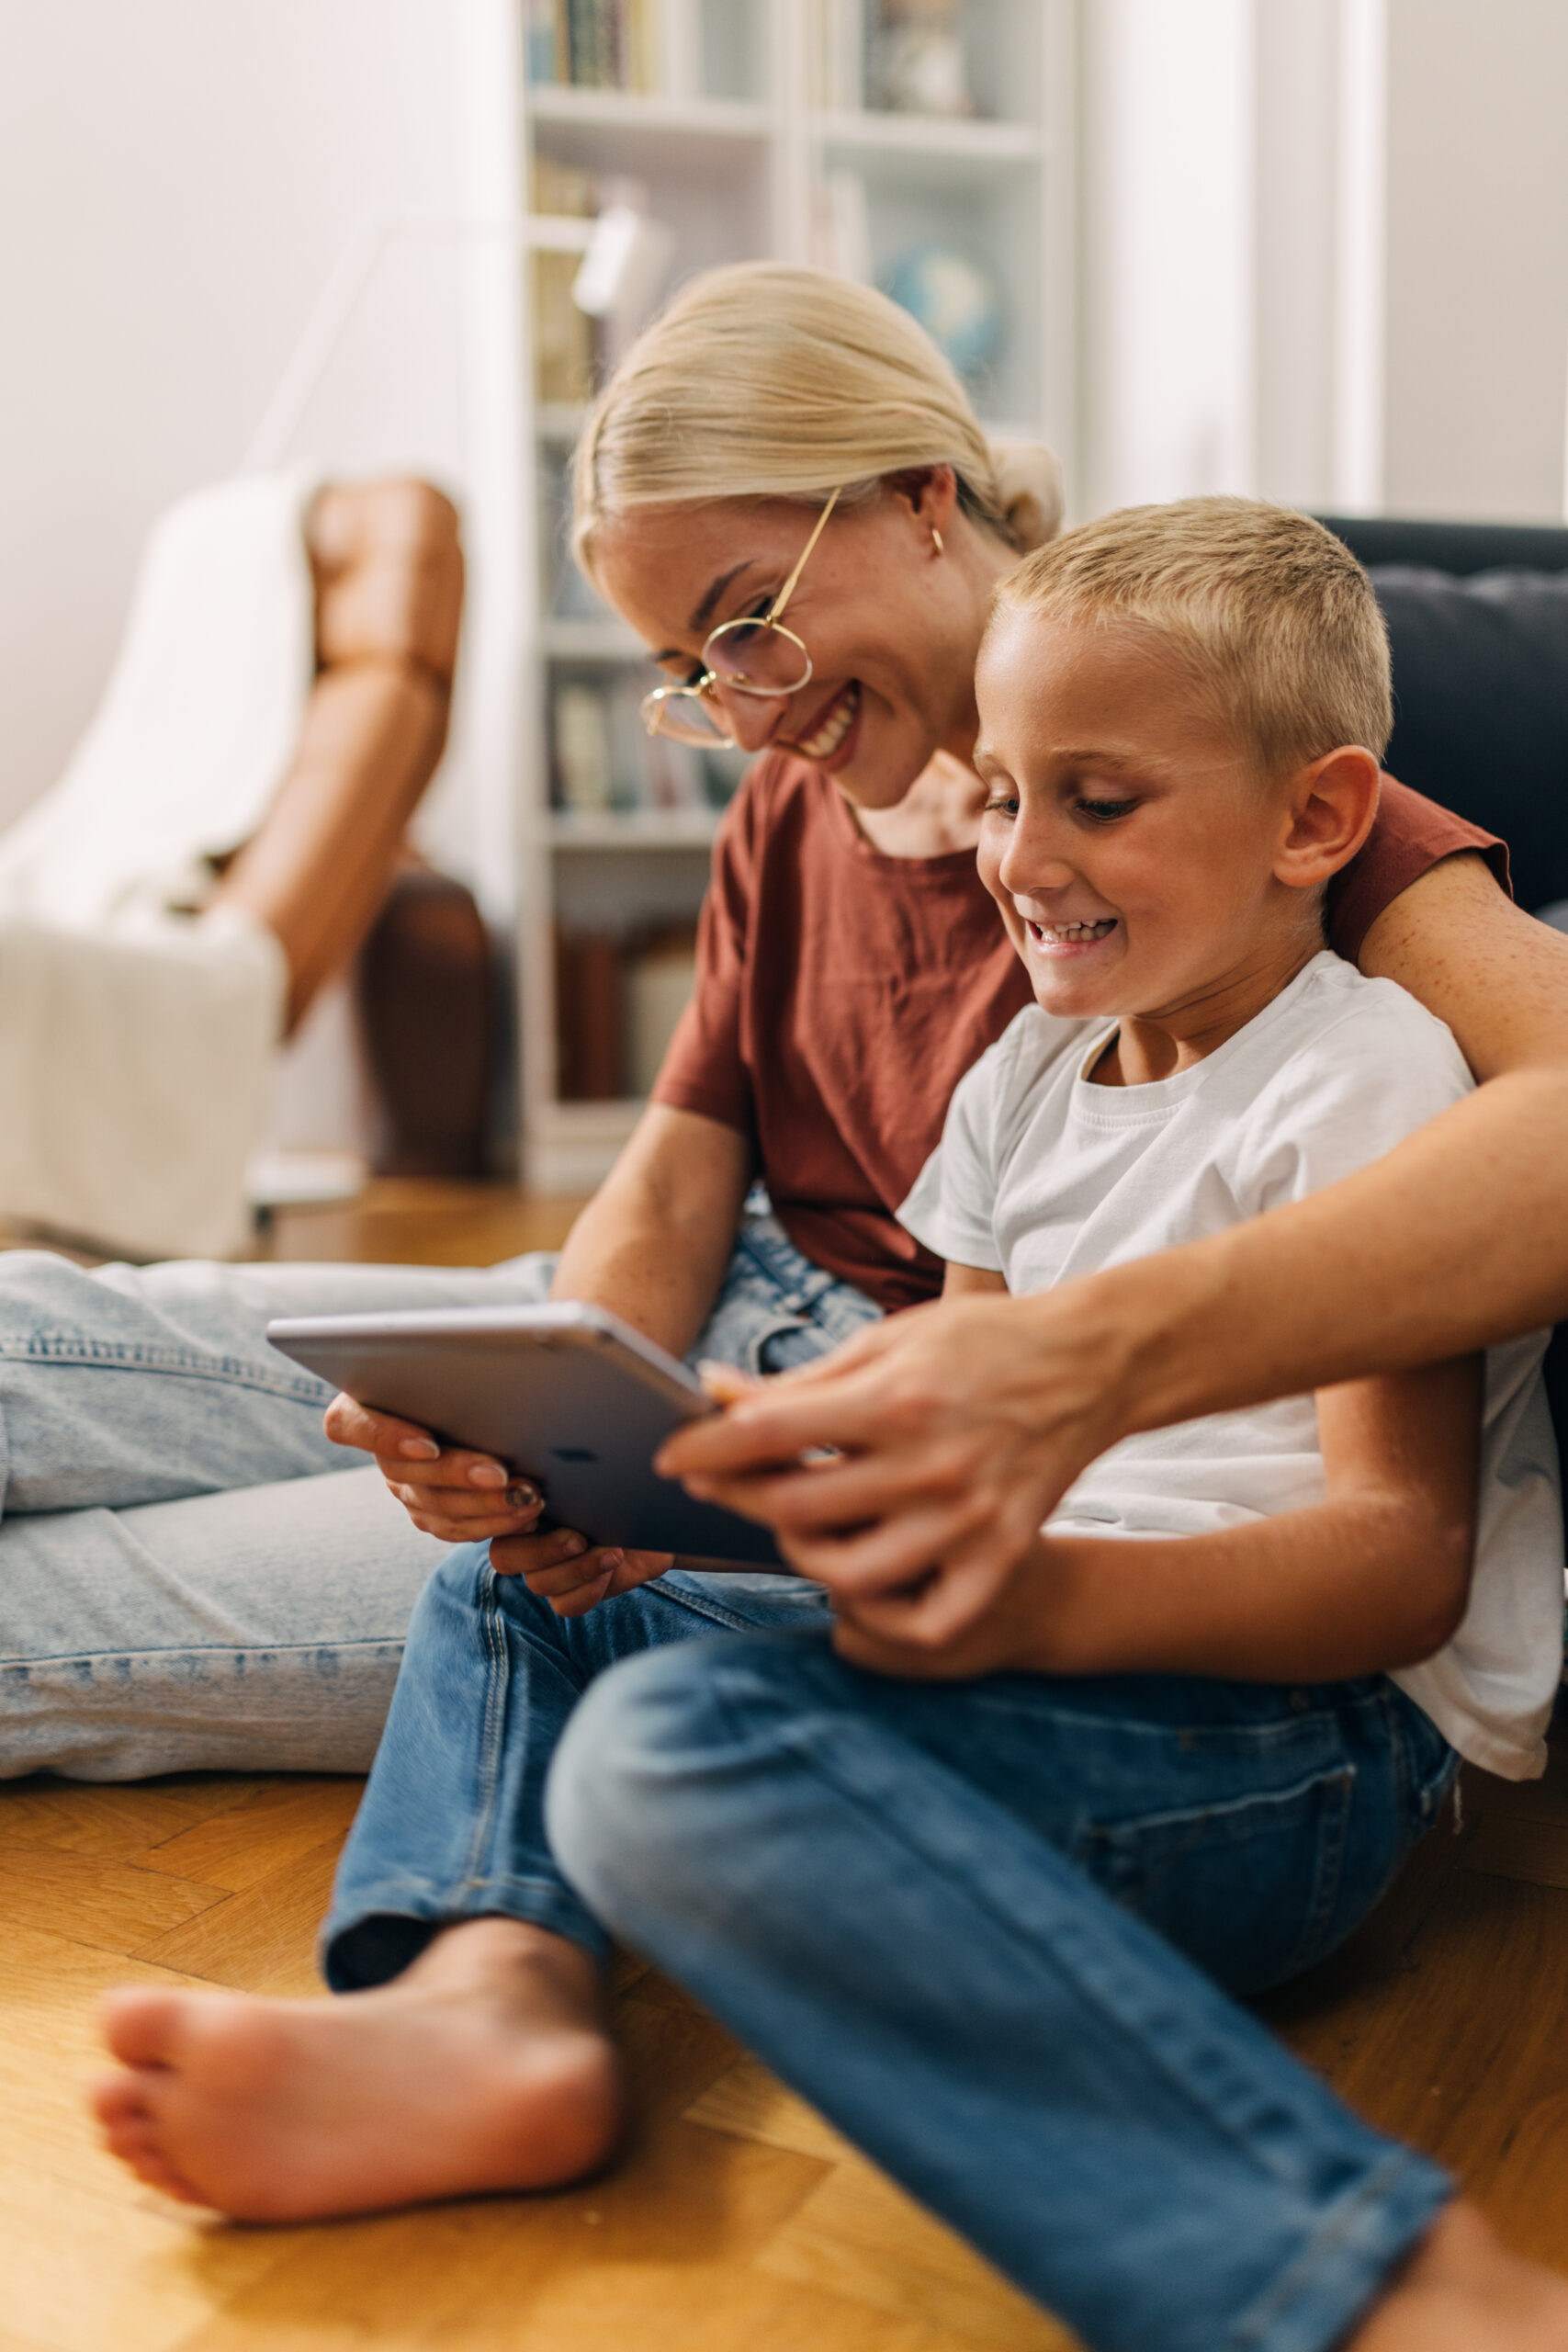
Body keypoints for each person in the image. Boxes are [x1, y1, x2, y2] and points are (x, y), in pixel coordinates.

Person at [90, 499, 1568, 2352]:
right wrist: (682, 1498)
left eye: (1095, 802)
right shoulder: (1022, 1077)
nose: (1021, 859)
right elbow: (953, 1456)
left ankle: (1369, 2280)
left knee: (671, 1753)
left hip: (1285, 1745)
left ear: (1316, 820)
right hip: (1025, 1653)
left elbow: (1395, 1567)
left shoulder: (1372, 1077)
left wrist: (1018, 1602)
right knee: (518, 1584)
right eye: (1006, 796)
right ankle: (488, 1994)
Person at [0, 261, 1557, 1789]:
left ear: (918, 493)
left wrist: (1062, 1364)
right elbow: (680, 1176)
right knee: (25, 1328)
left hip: (877, 1418)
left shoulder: (1212, 782)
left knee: (46, 1618)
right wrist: (546, 1412)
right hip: (676, 1343)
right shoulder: (795, 815)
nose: (743, 715)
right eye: (689, 671)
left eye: (748, 622)